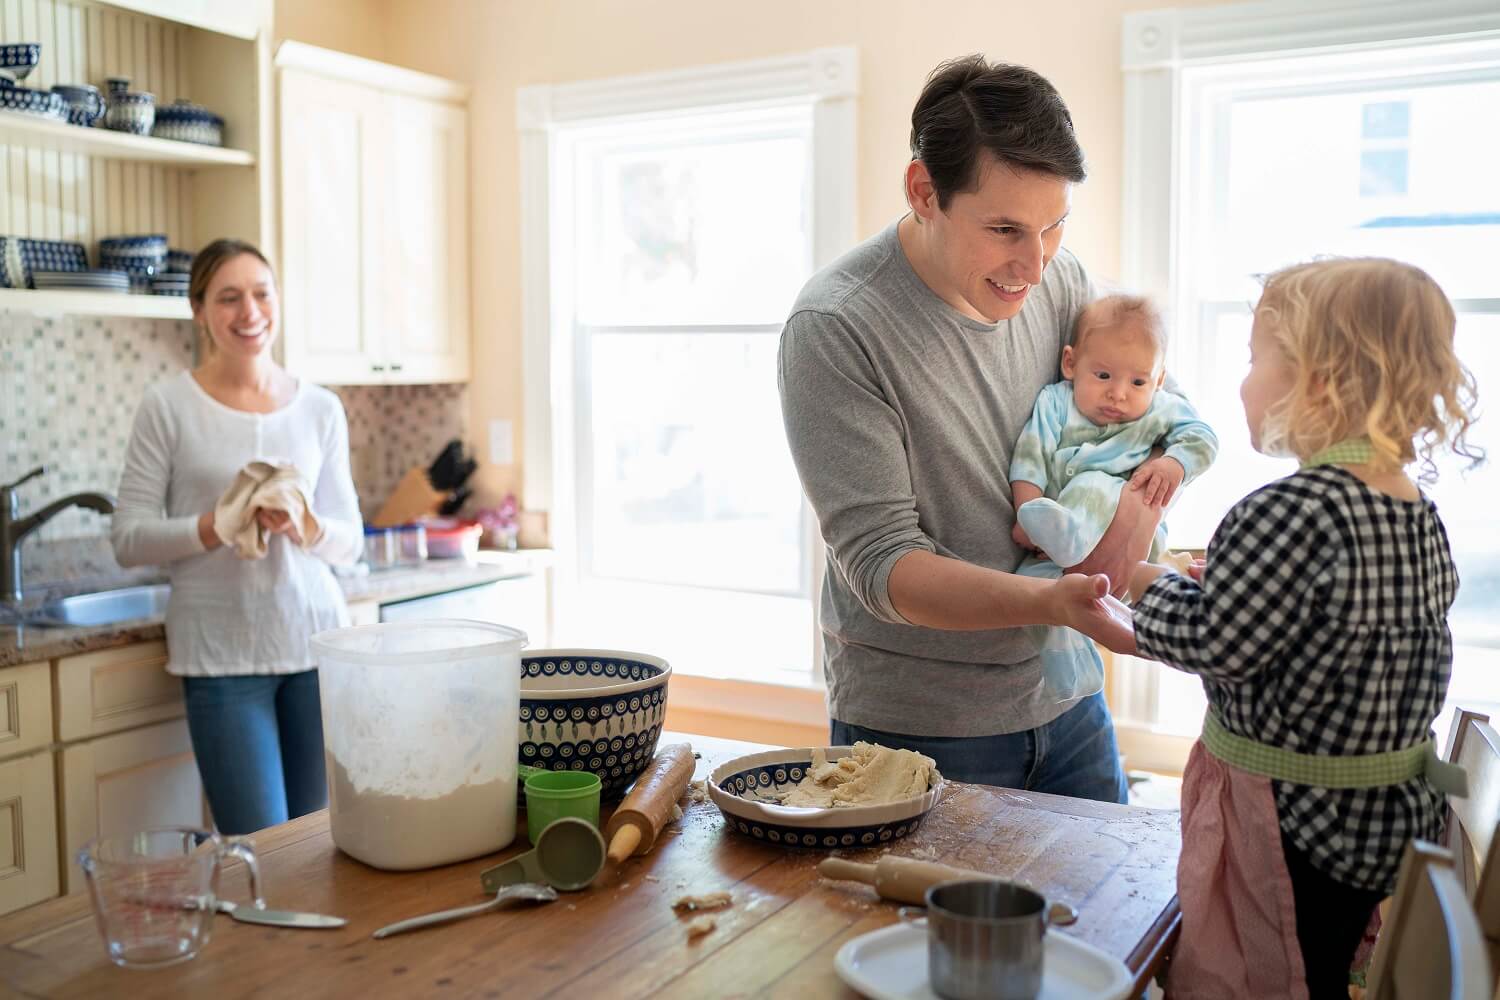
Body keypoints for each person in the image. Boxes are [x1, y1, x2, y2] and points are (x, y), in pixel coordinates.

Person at [777, 55, 1143, 801]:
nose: (1034, 265)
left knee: (1104, 921)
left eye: (1053, 226)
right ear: (924, 192)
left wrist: (1139, 510)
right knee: (922, 925)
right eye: (1005, 229)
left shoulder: (1061, 281)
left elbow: (1113, 423)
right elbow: (885, 566)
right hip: (922, 726)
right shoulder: (837, 326)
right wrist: (1048, 600)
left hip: (1068, 697)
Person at [1120, 258, 1479, 998]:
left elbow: (1222, 644)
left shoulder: (1287, 509)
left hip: (1291, 822)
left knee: (1266, 971)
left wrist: (1145, 588)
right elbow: (1335, 629)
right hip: (1381, 816)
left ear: (1318, 380)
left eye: (1255, 360)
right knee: (1321, 968)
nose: (1244, 380)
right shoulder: (1414, 511)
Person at [112, 238, 363, 835]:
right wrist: (213, 526)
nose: (249, 312)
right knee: (259, 851)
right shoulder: (167, 407)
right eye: (228, 298)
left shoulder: (320, 408)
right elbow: (128, 538)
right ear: (199, 311)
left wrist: (307, 525)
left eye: (261, 293)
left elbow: (350, 542)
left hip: (315, 644)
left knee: (315, 845)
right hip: (222, 661)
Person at [1010, 294, 1218, 705]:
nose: (1119, 394)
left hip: (1125, 544)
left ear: (1158, 381)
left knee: (1095, 484)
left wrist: (1173, 465)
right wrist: (1025, 510)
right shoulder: (1056, 402)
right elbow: (1030, 458)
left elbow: (1203, 438)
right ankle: (1071, 664)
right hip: (1048, 547)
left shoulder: (1160, 410)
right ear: (1071, 364)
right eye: (1103, 375)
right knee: (1033, 591)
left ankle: (1069, 534)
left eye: (1138, 382)